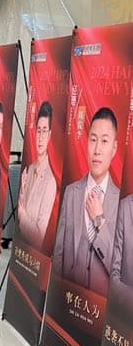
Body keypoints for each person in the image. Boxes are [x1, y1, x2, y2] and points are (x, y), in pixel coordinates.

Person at [53, 106, 120, 294]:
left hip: (99, 304)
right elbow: (59, 253)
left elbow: (119, 269)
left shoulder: (121, 203)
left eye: (104, 141)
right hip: (69, 297)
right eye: (93, 140)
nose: (97, 150)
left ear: (114, 148)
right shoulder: (71, 192)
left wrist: (99, 219)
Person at [16, 101, 57, 252]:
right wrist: (22, 192)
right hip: (20, 249)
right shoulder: (30, 169)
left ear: (50, 134)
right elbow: (20, 209)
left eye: (44, 131)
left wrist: (21, 214)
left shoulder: (50, 180)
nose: (40, 137)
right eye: (38, 130)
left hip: (33, 254)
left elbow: (39, 237)